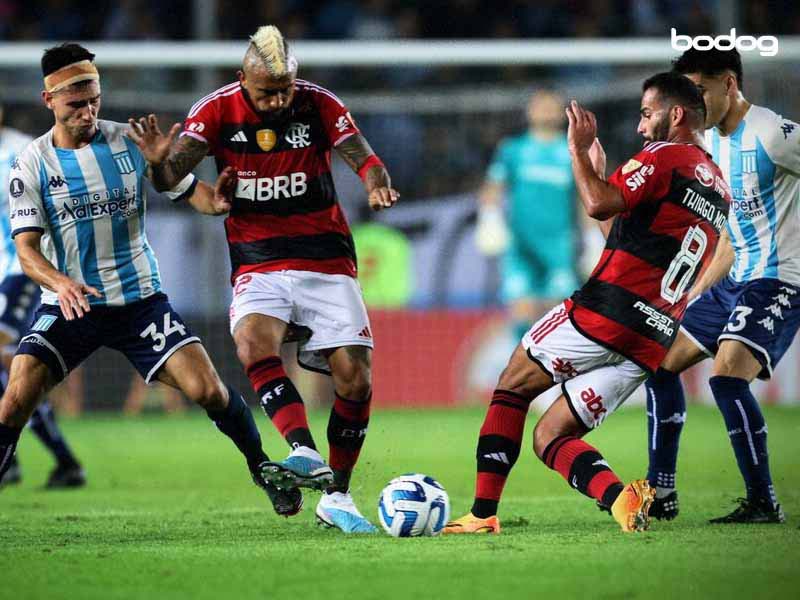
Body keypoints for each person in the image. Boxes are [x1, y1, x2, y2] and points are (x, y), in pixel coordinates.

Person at [0, 43, 302, 518]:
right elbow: (26, 252)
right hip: (69, 306)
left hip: (140, 302)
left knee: (210, 390)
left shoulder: (129, 142)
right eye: (75, 103)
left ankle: (262, 468)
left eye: (94, 99)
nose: (88, 110)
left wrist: (198, 188)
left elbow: (190, 193)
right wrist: (60, 283)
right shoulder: (31, 164)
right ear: (49, 101)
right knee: (15, 397)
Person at [129, 25, 399, 533]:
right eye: (264, 92)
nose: (276, 101)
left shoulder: (319, 103)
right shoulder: (215, 110)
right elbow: (170, 180)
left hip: (325, 257)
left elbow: (361, 154)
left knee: (356, 379)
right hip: (258, 256)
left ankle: (337, 496)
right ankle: (301, 448)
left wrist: (376, 179)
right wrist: (159, 164)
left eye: (284, 89)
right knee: (252, 341)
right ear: (241, 80)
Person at [444, 72, 730, 534]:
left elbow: (598, 204)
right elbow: (620, 233)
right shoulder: (718, 185)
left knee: (512, 387)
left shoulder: (662, 156)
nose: (640, 127)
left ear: (675, 114)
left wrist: (578, 151)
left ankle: (481, 514)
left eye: (646, 114)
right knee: (551, 435)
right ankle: (622, 500)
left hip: (606, 311)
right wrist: (595, 170)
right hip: (652, 335)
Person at [644, 48, 799, 524]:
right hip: (736, 278)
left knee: (727, 377)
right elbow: (733, 236)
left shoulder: (774, 134)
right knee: (661, 362)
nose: (692, 104)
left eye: (700, 92)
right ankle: (661, 490)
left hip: (780, 280)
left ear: (729, 84)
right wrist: (692, 293)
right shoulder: (711, 148)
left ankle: (762, 501)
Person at [0, 102, 86, 489]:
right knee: (9, 367)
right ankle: (21, 457)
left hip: (22, 269)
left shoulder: (21, 150)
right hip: (2, 271)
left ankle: (62, 461)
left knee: (10, 356)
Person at [475, 90, 580, 340]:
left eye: (551, 105)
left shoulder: (574, 152)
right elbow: (493, 188)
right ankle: (522, 375)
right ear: (529, 111)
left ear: (562, 113)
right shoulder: (512, 150)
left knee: (557, 319)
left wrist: (596, 238)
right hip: (520, 247)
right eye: (540, 105)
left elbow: (584, 199)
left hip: (559, 248)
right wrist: (489, 218)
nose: (545, 110)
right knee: (522, 314)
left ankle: (554, 378)